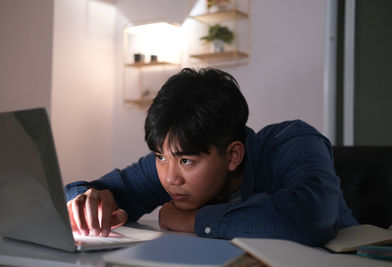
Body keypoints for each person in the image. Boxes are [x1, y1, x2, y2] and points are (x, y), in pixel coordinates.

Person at [65, 68, 358, 246]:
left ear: (232, 156)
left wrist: (194, 220)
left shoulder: (292, 141)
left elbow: (312, 215)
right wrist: (84, 201)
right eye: (159, 156)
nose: (169, 177)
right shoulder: (172, 166)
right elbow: (87, 190)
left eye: (186, 161)